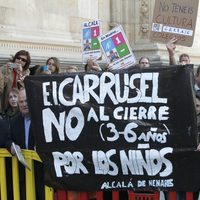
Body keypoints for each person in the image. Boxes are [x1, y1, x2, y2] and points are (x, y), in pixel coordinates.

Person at [6, 88, 44, 200]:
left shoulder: (42, 118)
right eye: (21, 102)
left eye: (27, 101)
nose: (24, 104)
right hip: (23, 173)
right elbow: (8, 139)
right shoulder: (14, 121)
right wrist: (12, 146)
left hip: (41, 173)